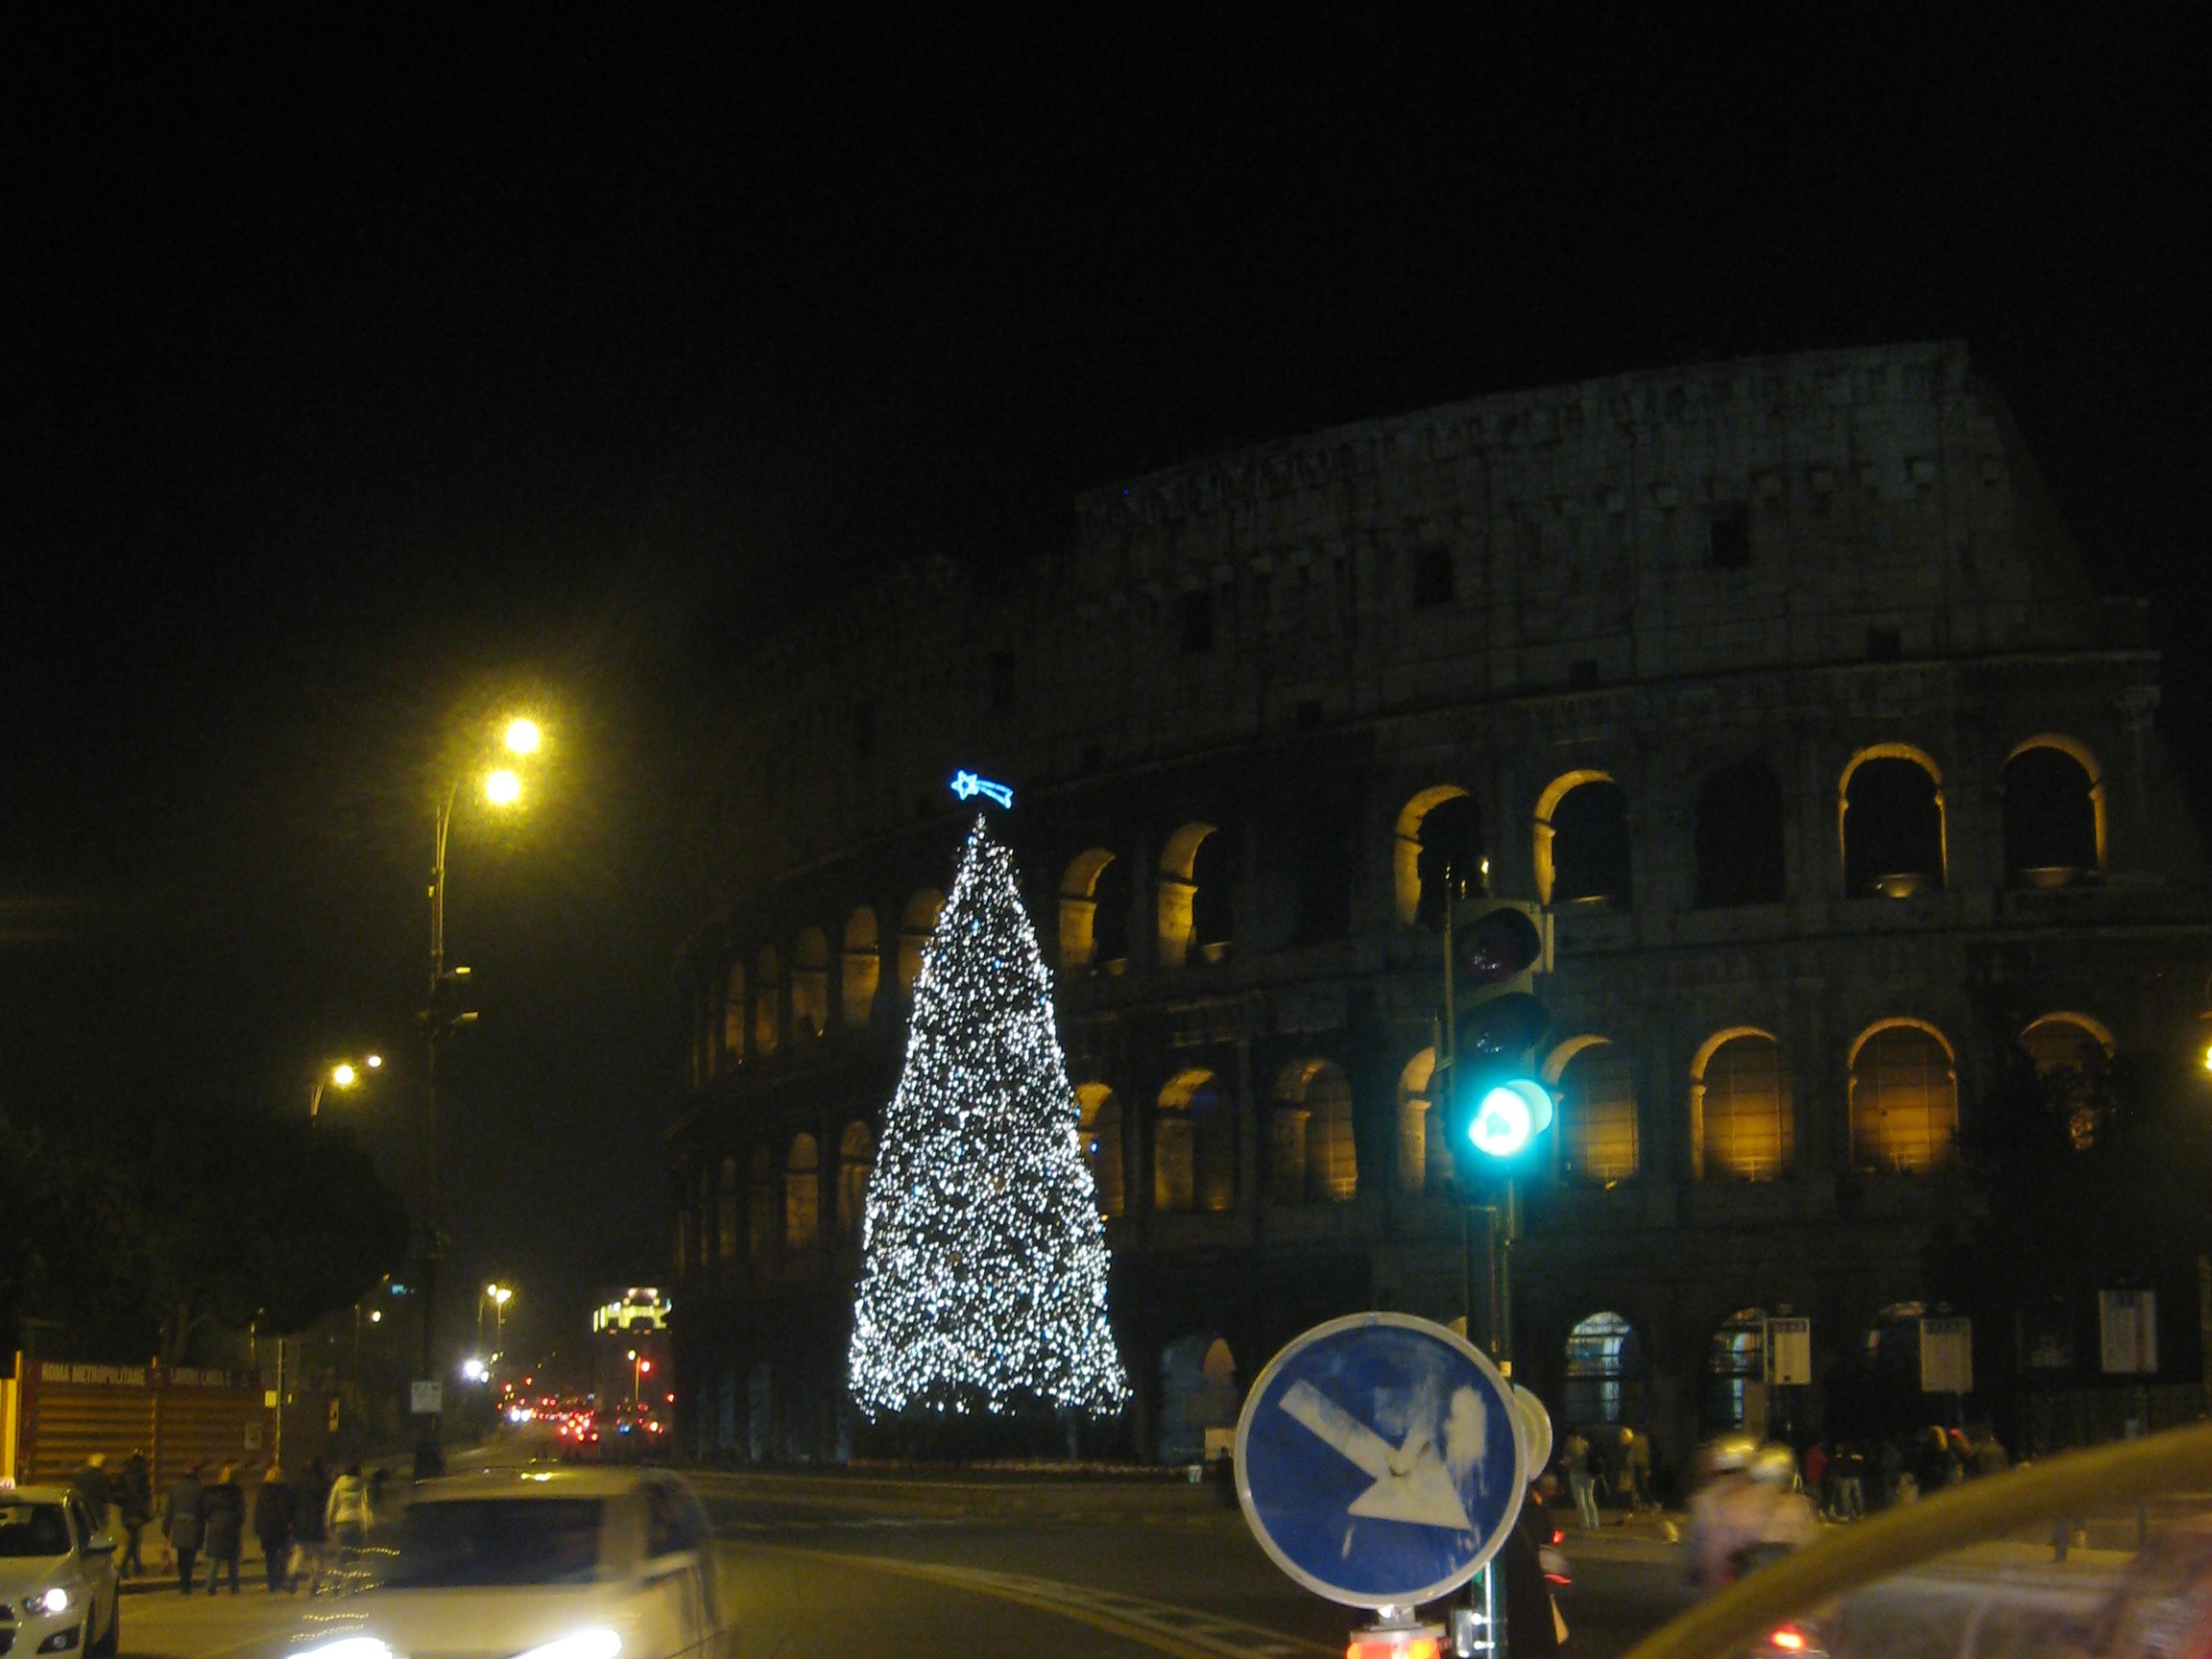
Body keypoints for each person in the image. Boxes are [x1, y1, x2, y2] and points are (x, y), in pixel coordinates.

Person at [319, 1461, 371, 1592]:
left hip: (341, 1523)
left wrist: (328, 1523)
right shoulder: (360, 1484)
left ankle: (336, 1585)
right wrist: (365, 1525)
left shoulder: (338, 1484)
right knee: (355, 1556)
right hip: (356, 1522)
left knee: (340, 1557)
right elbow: (364, 1505)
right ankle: (353, 1586)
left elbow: (332, 1504)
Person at [162, 1462, 207, 1596]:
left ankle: (183, 1583)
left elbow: (169, 1510)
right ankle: (187, 1583)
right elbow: (203, 1510)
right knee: (190, 1557)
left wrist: (165, 1529)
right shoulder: (199, 1488)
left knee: (181, 1556)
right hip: (194, 1525)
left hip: (178, 1525)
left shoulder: (175, 1487)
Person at [203, 1464, 246, 1595]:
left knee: (214, 1558)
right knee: (232, 1559)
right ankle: (234, 1586)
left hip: (215, 1527)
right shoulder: (237, 1493)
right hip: (231, 1527)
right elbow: (241, 1513)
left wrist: (211, 1521)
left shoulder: (212, 1492)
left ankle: (211, 1585)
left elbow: (206, 1510)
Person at [255, 1465, 296, 1593]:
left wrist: (258, 1527)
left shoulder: (263, 1491)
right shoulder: (285, 1490)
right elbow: (290, 1509)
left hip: (267, 1527)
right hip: (282, 1526)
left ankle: (272, 1583)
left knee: (270, 1557)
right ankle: (282, 1577)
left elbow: (259, 1511)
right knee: (284, 1553)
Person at [294, 1456, 331, 1594]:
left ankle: (293, 1573)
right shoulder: (324, 1484)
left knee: (300, 1550)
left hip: (301, 1520)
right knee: (318, 1554)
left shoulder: (300, 1483)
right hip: (317, 1521)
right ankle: (314, 1583)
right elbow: (327, 1504)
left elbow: (294, 1502)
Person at [119, 1450, 153, 1576]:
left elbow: (119, 1492)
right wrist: (146, 1509)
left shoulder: (125, 1474)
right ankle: (124, 1566)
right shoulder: (142, 1476)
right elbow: (145, 1494)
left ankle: (138, 1565)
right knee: (134, 1541)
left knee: (135, 1539)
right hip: (137, 1513)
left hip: (126, 1512)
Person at [1563, 1429, 1600, 1530]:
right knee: (1590, 1499)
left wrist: (1562, 1463)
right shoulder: (1586, 1443)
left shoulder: (1569, 1445)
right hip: (1589, 1474)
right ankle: (1595, 1523)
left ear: (1570, 1436)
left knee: (1580, 1500)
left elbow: (1567, 1461)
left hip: (1576, 1474)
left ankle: (1585, 1524)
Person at [71, 1452, 113, 1541]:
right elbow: (106, 1497)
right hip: (98, 1511)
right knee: (99, 1536)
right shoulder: (102, 1477)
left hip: (82, 1510)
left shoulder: (81, 1476)